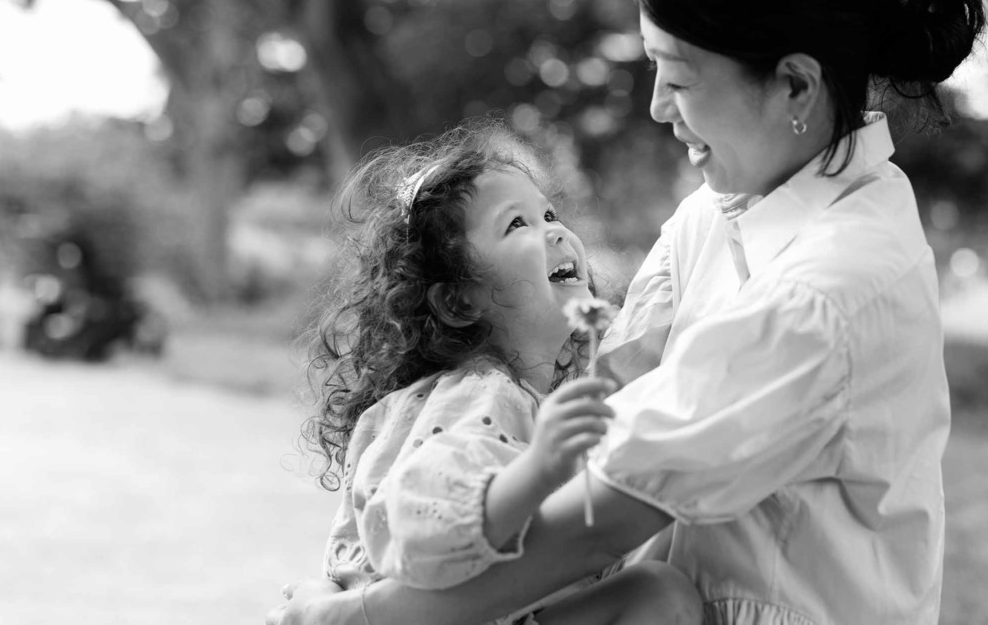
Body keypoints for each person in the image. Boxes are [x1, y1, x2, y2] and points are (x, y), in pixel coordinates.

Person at [270, 0, 987, 625]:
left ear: (794, 85)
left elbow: (608, 513)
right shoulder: (716, 216)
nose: (656, 107)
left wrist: (369, 617)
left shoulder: (829, 288)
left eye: (677, 78)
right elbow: (593, 391)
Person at [293, 122, 702, 625]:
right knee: (659, 594)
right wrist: (539, 469)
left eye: (549, 214)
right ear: (459, 300)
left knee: (657, 593)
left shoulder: (536, 389)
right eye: (517, 225)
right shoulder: (477, 395)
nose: (554, 230)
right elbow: (419, 533)